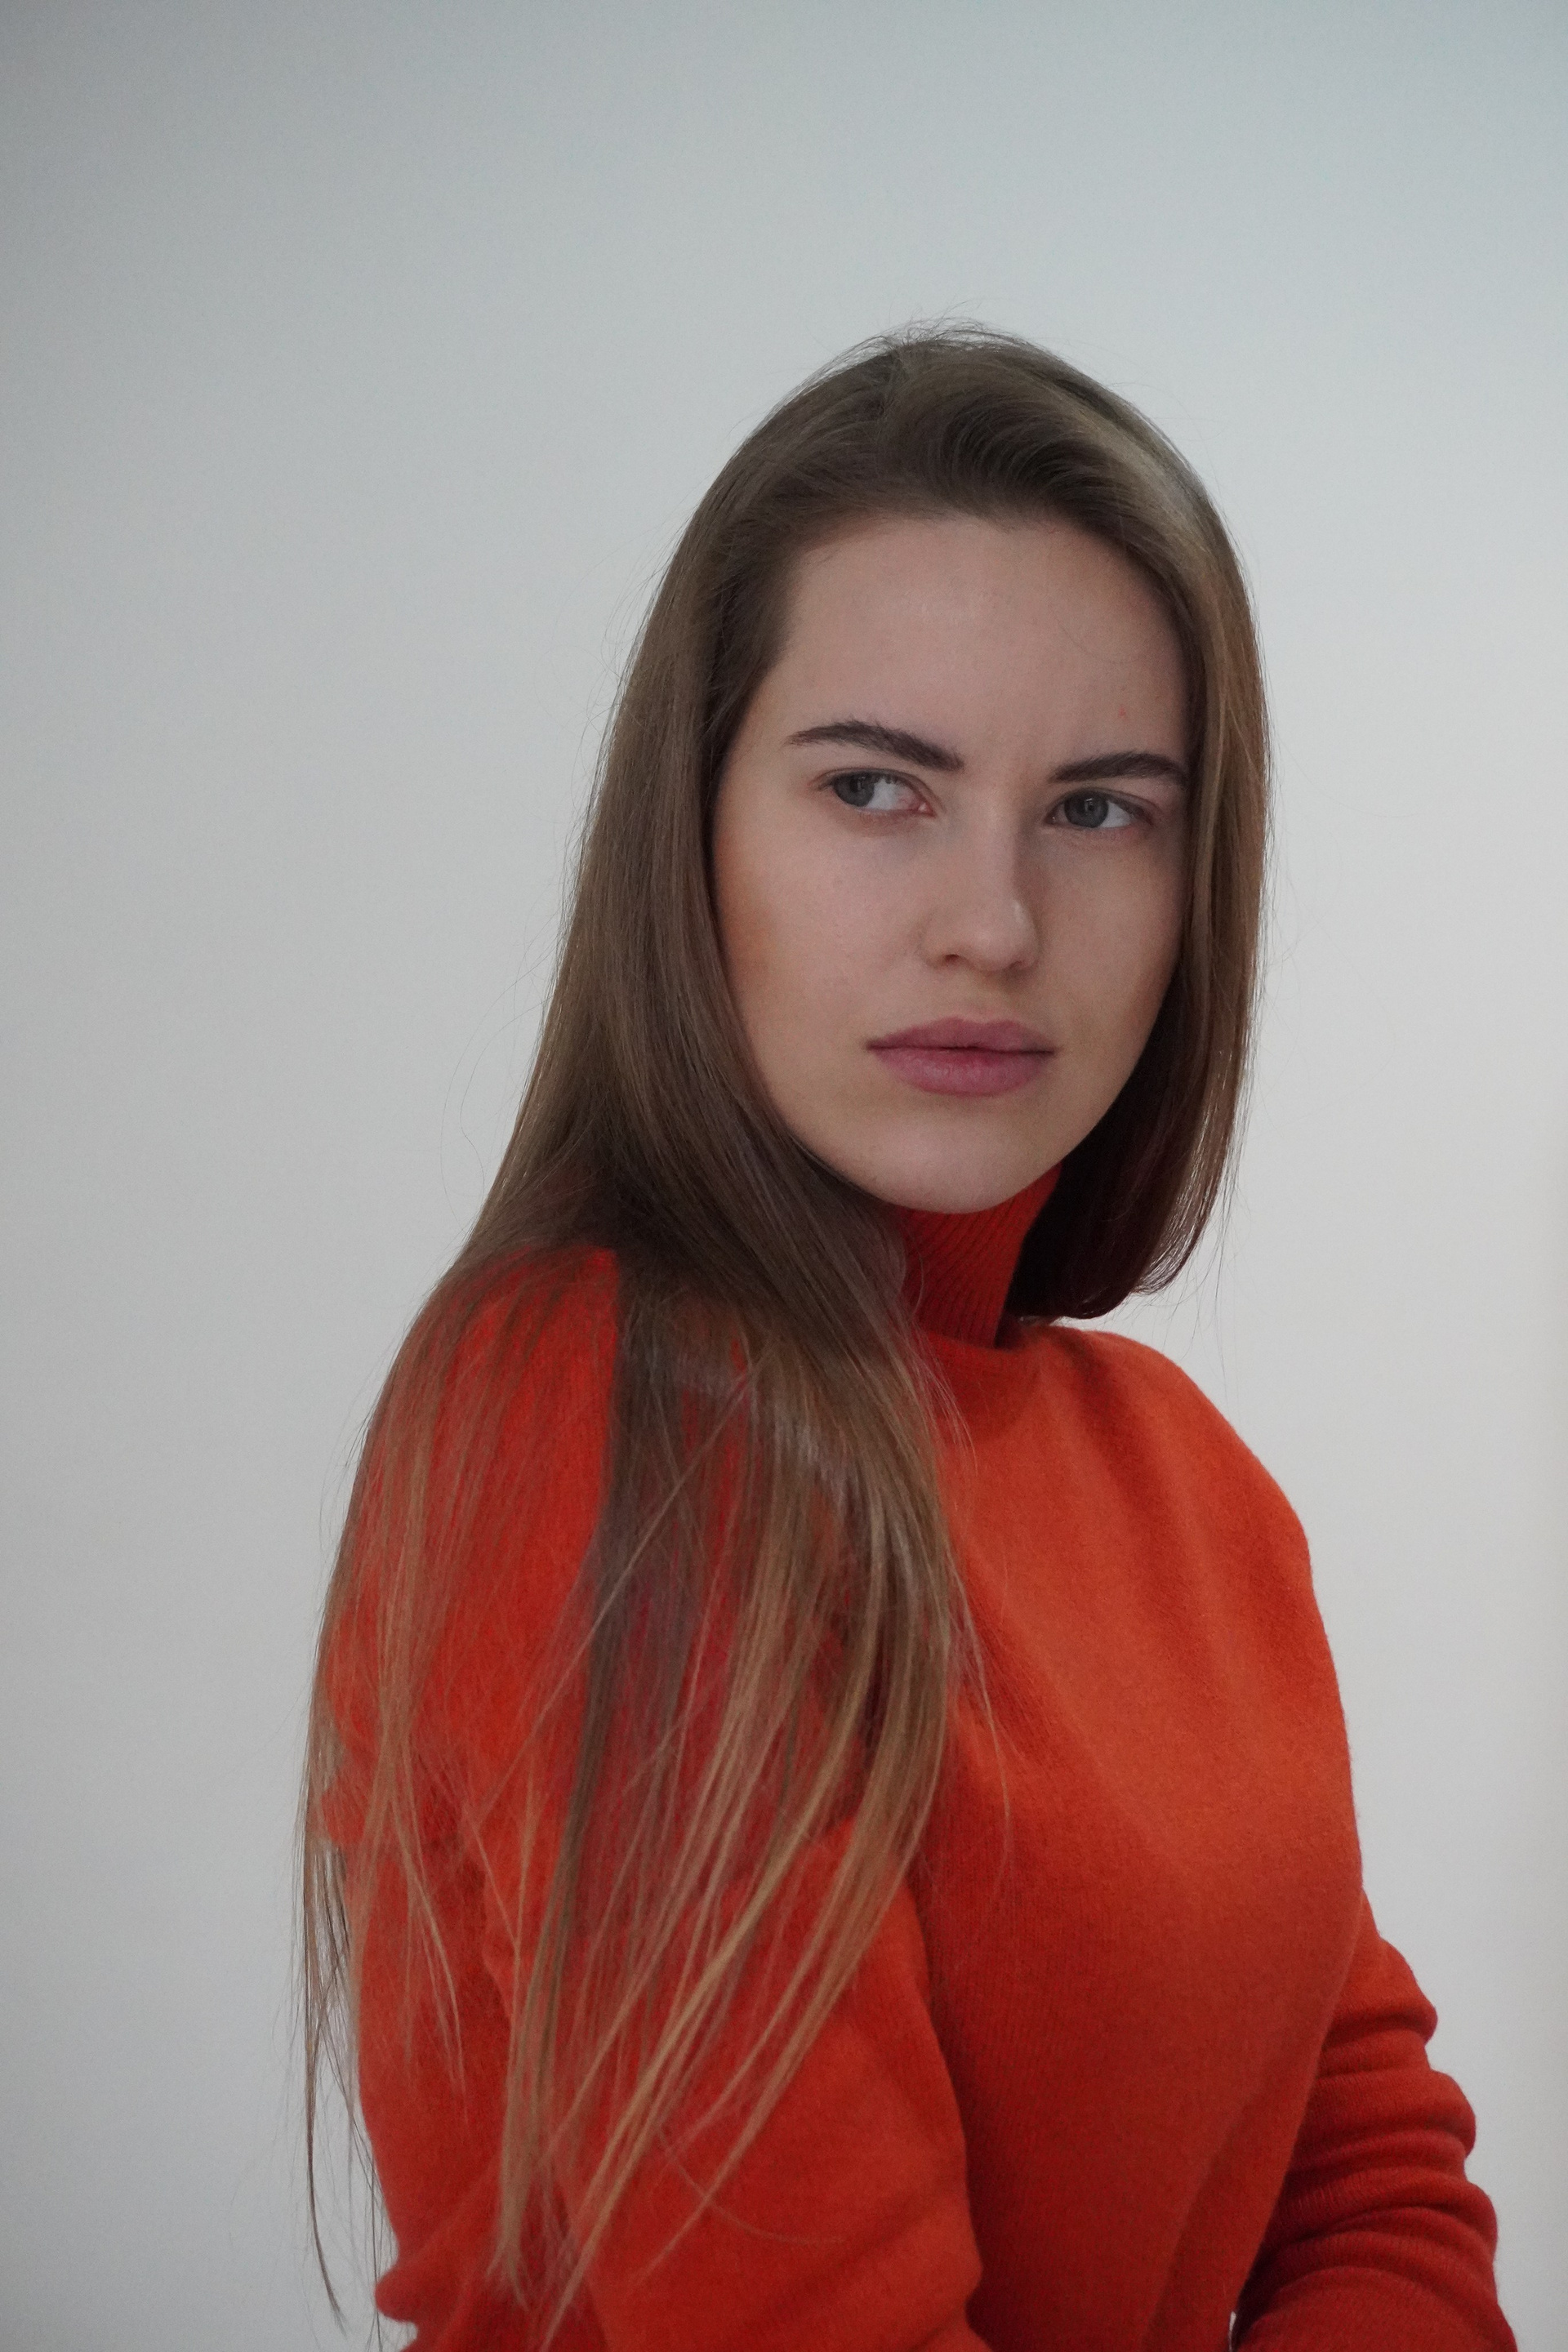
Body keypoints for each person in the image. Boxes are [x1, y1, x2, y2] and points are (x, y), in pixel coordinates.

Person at [301, 327, 1516, 2350]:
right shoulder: (582, 1407)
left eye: (1100, 810)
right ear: (692, 835)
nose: (995, 923)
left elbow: (1374, 2177)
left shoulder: (1185, 1480)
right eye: (878, 787)